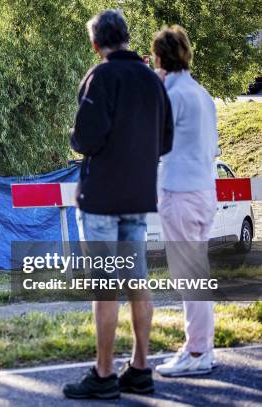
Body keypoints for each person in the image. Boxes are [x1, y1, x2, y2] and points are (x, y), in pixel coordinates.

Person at [63, 9, 173, 399]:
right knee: (137, 283)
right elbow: (166, 142)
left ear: (96, 45)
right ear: (127, 37)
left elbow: (87, 139)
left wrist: (76, 137)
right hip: (138, 195)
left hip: (102, 198)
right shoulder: (151, 80)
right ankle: (141, 369)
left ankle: (104, 374)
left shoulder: (100, 77)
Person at [152, 26, 218, 377]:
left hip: (181, 192)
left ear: (160, 58)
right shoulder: (202, 94)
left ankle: (197, 352)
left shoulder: (172, 96)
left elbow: (156, 142)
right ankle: (201, 346)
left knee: (189, 277)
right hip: (205, 190)